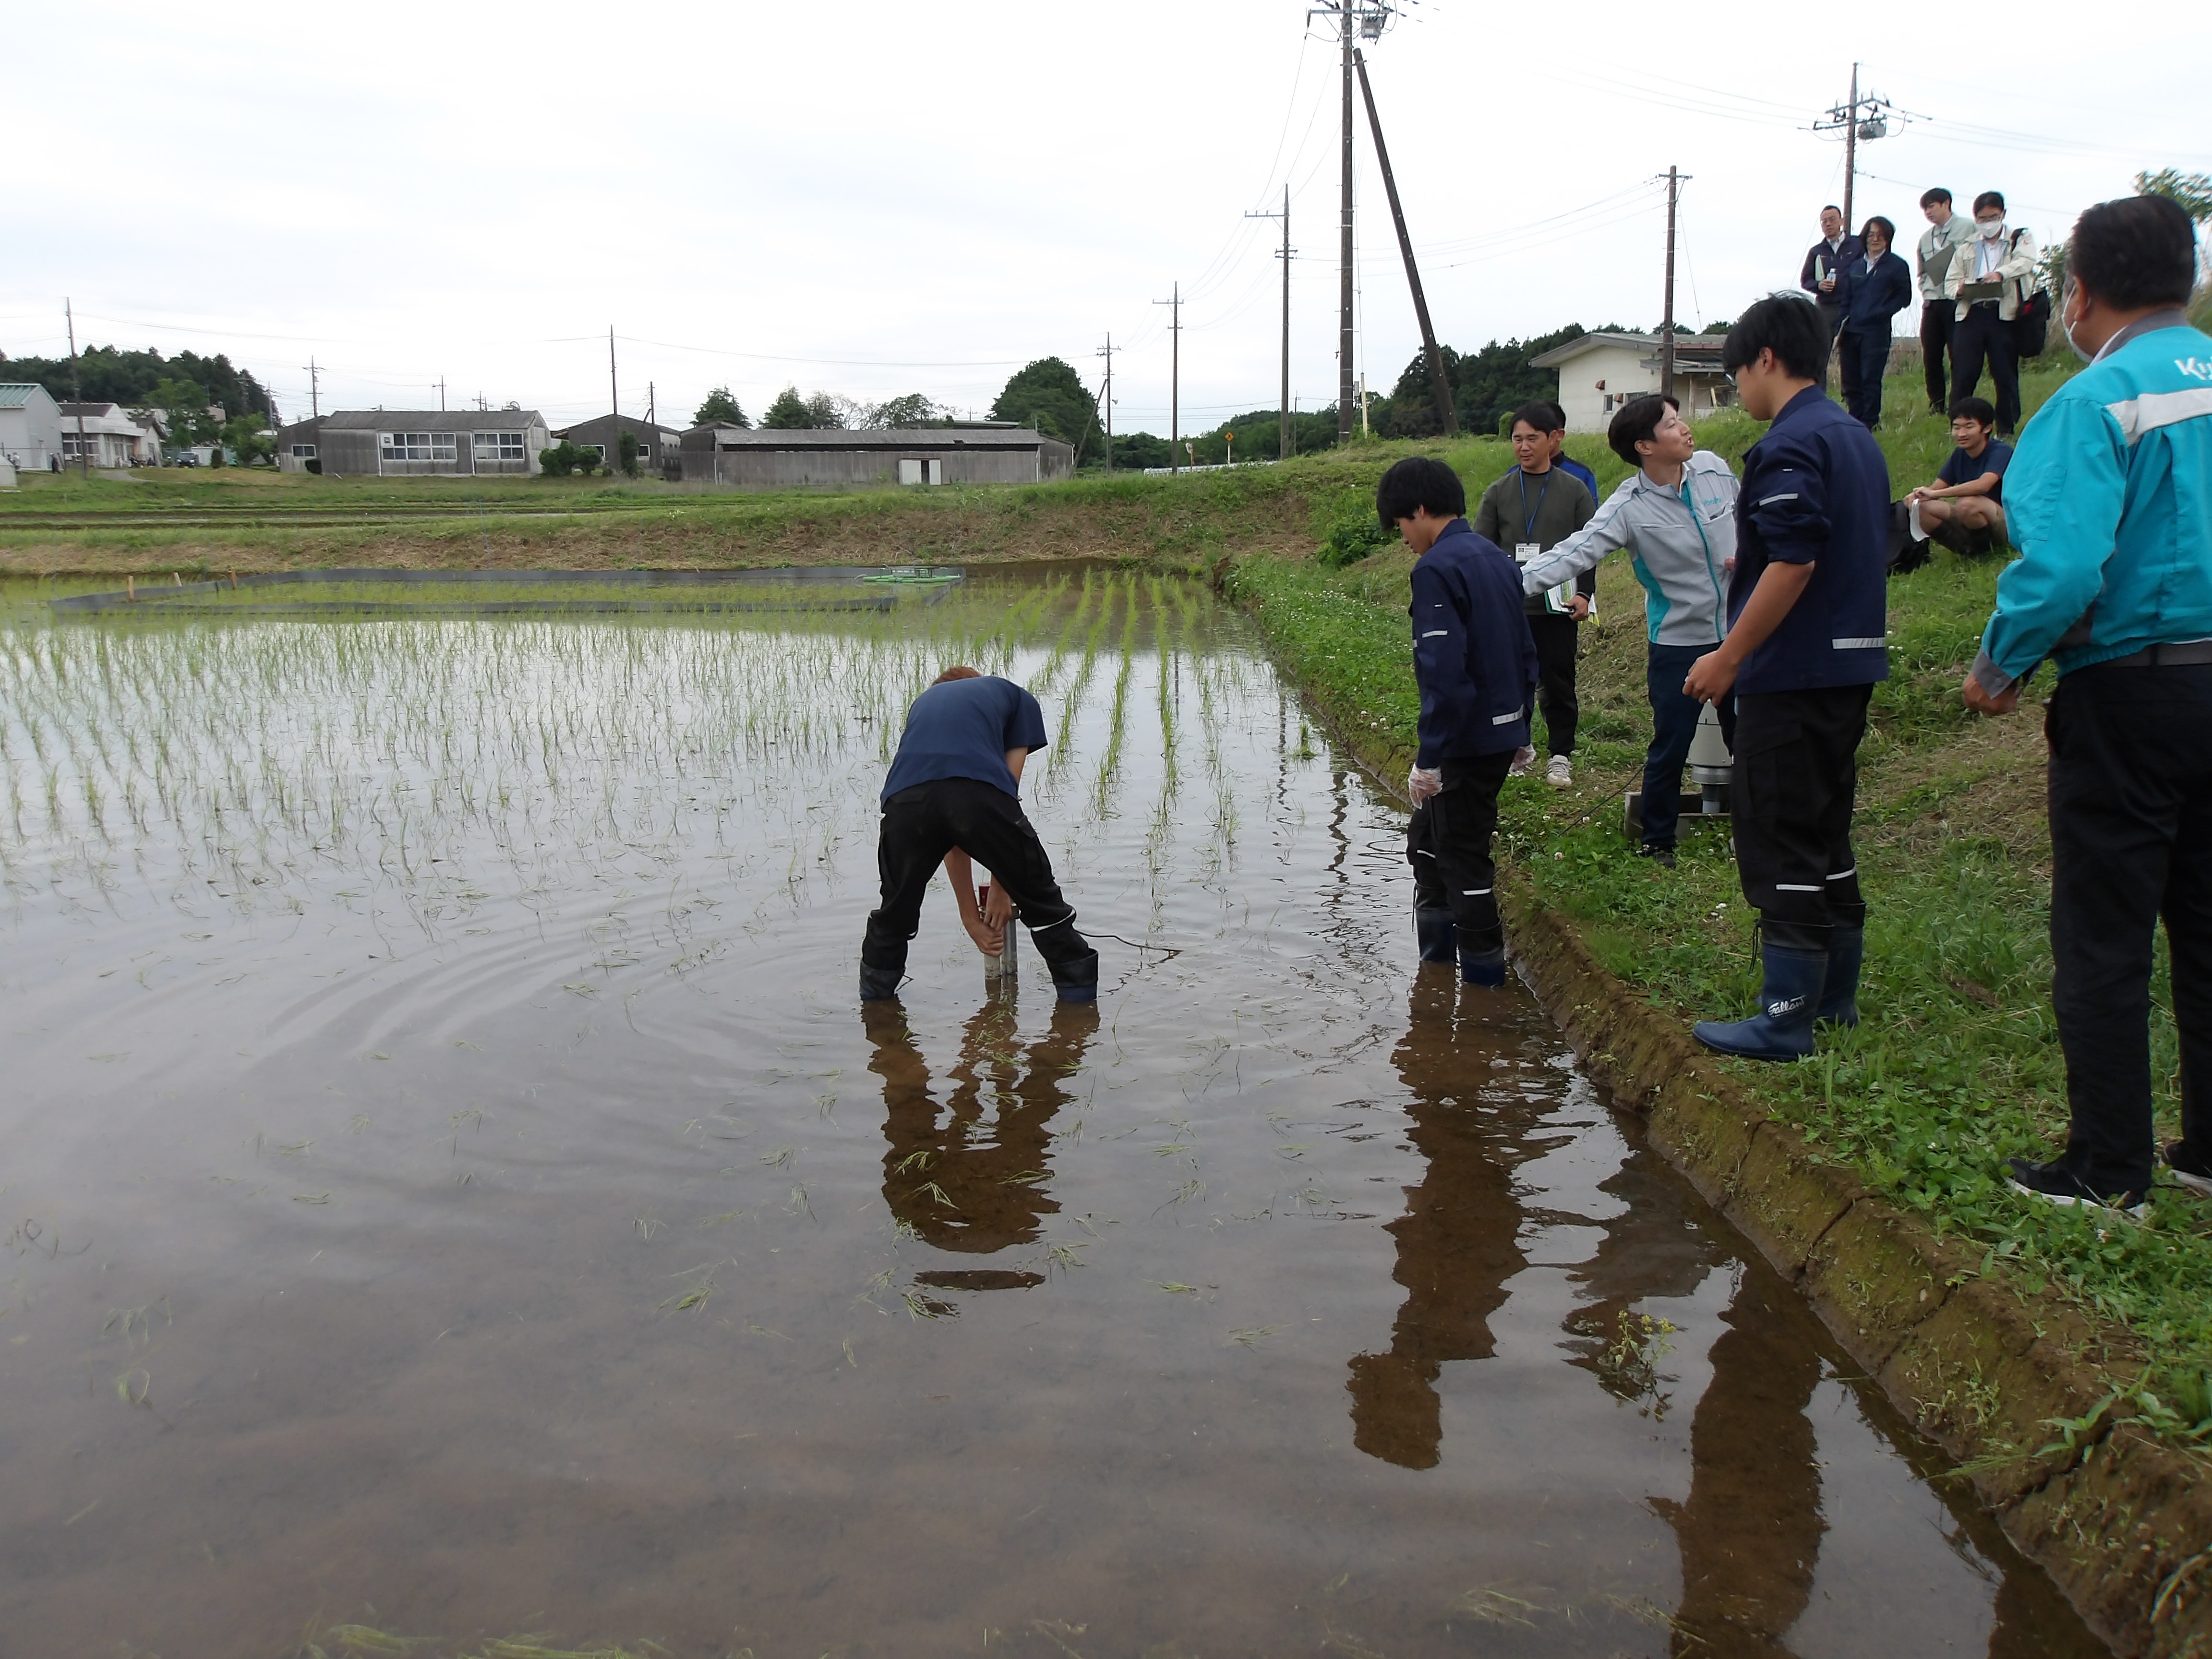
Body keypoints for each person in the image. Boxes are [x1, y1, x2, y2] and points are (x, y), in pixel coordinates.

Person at [1962, 193, 2212, 1214]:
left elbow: (2063, 568)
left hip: (2132, 691)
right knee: (2206, 922)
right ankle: (2204, 1152)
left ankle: (2109, 1170)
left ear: (2080, 291)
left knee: (2105, 934)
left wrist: (1997, 667)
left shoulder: (2093, 402)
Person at [1685, 295, 1890, 1060]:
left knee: (1779, 833)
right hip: (1848, 664)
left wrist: (1728, 657)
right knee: (1824, 826)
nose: (1738, 388)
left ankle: (1786, 1016)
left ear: (1765, 360)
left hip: (1794, 672)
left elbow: (1794, 562)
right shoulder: (1854, 437)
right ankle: (1834, 1001)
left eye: (1736, 373)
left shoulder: (1790, 443)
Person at [1520, 394, 1739, 866]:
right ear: (1644, 446)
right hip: (1679, 640)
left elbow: (1752, 520)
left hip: (1742, 632)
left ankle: (1758, 832)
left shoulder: (1714, 470)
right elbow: (1574, 552)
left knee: (1754, 739)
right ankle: (1658, 841)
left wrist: (1752, 557)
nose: (1684, 429)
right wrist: (1502, 585)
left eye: (1680, 420)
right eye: (1671, 424)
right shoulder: (1629, 506)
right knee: (1671, 742)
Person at [859, 666, 1099, 1004]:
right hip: (977, 798)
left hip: (905, 803)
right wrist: (1004, 887)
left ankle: (875, 1013)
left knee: (894, 916)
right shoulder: (1017, 698)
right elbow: (1004, 800)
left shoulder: (924, 705)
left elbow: (950, 834)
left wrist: (970, 918)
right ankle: (1079, 1013)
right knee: (1046, 911)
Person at [1390, 455, 1539, 986]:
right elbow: (1525, 650)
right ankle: (1434, 971)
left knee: (1462, 858)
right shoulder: (1496, 559)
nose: (1404, 537)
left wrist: (1430, 759)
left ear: (1420, 510)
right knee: (1427, 844)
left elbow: (1445, 675)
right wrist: (1521, 728)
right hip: (1498, 731)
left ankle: (1483, 990)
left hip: (1466, 740)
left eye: (1401, 524)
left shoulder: (1437, 568)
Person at [1474, 401, 1595, 787]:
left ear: (1552, 440)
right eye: (1517, 439)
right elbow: (1480, 548)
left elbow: (1589, 549)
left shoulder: (1574, 489)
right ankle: (1517, 748)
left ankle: (1561, 755)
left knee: (1558, 681)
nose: (1524, 447)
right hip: (1511, 607)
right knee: (1511, 681)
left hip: (1558, 605)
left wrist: (1585, 594)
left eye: (1532, 438)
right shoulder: (1500, 491)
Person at [1945, 190, 2041, 436]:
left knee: (2005, 373)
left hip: (2004, 314)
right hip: (1971, 314)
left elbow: (2026, 262)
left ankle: (2006, 428)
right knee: (1964, 373)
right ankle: (1959, 425)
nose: (1988, 224)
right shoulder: (1967, 246)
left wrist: (2001, 274)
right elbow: (1950, 281)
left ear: (2003, 215)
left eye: (1993, 218)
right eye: (1983, 219)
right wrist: (1960, 289)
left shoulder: (2019, 238)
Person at [1906, 397, 2012, 555]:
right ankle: (1966, 550)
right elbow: (1935, 488)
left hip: (2007, 522)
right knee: (1922, 507)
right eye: (1956, 428)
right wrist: (1917, 496)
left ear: (1987, 428)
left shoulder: (2001, 451)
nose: (1961, 434)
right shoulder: (1960, 454)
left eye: (1969, 427)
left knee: (1968, 504)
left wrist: (1936, 494)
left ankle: (1985, 553)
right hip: (1974, 518)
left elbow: (1983, 485)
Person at [1836, 216, 1913, 430]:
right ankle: (1854, 421)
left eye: (1881, 235)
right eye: (1871, 234)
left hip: (1876, 332)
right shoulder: (1856, 266)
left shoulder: (1897, 265)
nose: (1876, 239)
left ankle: (1870, 422)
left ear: (1888, 238)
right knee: (1850, 380)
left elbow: (1904, 298)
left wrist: (1881, 312)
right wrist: (1840, 326)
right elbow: (1847, 299)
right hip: (1851, 331)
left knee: (1870, 378)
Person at [1916, 188, 1976, 415]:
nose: (1928, 213)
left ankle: (1959, 403)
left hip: (1957, 300)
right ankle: (1936, 404)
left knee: (1959, 354)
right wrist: (1925, 291)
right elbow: (1921, 271)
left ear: (1946, 204)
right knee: (1931, 356)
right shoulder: (1926, 238)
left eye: (1932, 206)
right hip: (1933, 302)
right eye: (1925, 209)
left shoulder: (1968, 228)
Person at [1799, 204, 1863, 354]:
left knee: (1851, 352)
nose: (1828, 224)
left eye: (1832, 220)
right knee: (1820, 351)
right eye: (1824, 221)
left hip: (1853, 305)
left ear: (1842, 221)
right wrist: (1819, 285)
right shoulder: (1816, 251)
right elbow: (1805, 280)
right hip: (1826, 307)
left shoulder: (1857, 245)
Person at [1540, 401, 1600, 504]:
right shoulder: (1514, 475)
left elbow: (1590, 512)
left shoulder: (1582, 475)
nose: (1526, 445)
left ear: (1559, 435)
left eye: (1534, 437)